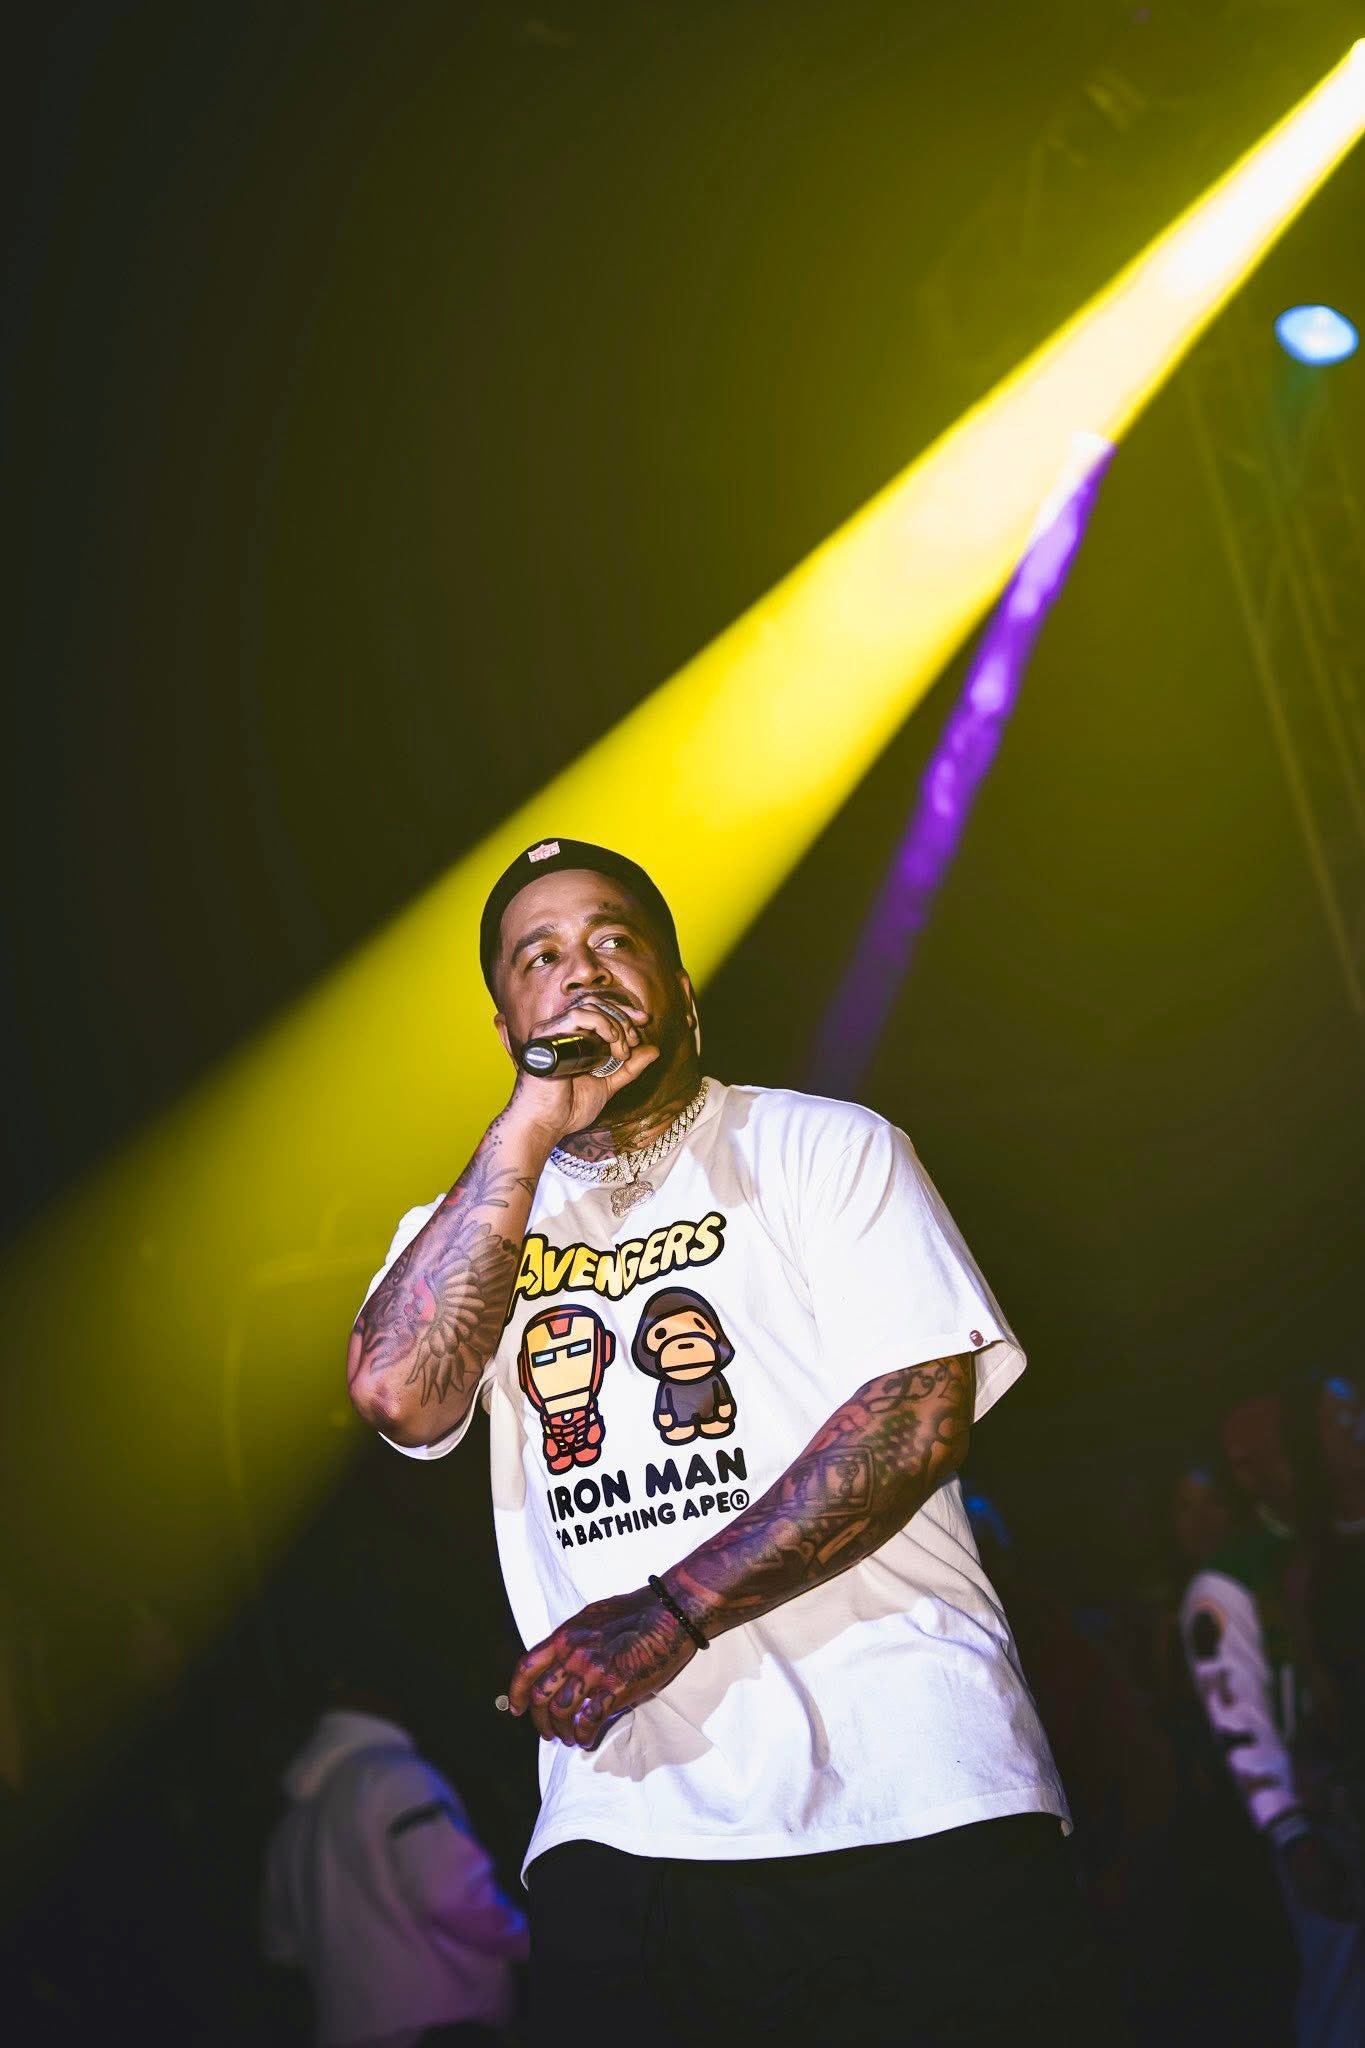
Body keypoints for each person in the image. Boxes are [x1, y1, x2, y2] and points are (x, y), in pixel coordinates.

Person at [347, 837, 1108, 2048]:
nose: (580, 971)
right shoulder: (469, 1223)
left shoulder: (825, 1145)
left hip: (913, 1791)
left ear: (680, 989)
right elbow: (399, 1391)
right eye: (539, 957)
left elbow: (916, 1412)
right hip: (625, 1825)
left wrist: (673, 1608)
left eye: (612, 939)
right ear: (506, 1026)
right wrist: (529, 1129)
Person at [1181, 1389, 1365, 2047]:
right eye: (1245, 1462)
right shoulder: (1233, 1577)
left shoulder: (1329, 1540)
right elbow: (1238, 1721)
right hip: (1329, 1819)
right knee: (1343, 1991)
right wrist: (1291, 1833)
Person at [262, 1679, 527, 2047]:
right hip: (441, 2024)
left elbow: (282, 1946)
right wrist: (525, 1937)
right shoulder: (400, 1778)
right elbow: (449, 1894)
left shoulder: (292, 1823)